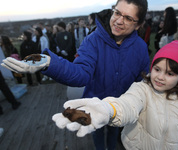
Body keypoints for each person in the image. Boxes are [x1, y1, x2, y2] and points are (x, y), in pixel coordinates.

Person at [1, 0, 150, 149]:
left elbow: (141, 85)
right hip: (94, 105)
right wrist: (49, 63)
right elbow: (81, 73)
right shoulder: (93, 40)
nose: (118, 21)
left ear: (138, 24)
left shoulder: (141, 48)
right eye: (117, 13)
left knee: (113, 133)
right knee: (97, 133)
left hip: (120, 107)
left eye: (128, 18)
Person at [52, 40, 178, 150]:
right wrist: (109, 110)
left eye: (169, 73)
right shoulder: (142, 89)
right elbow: (128, 104)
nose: (160, 77)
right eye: (157, 69)